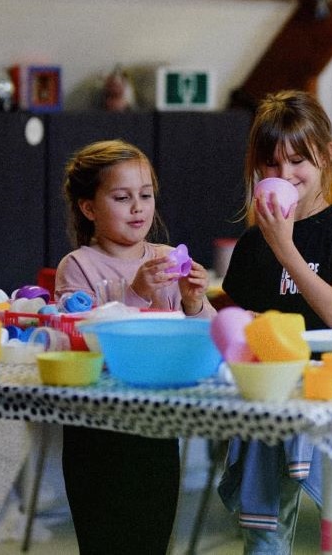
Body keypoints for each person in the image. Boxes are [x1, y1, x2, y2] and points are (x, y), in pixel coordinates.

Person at [219, 90, 332, 554]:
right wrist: (196, 302)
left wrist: (285, 246)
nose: (283, 176)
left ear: (326, 158)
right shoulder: (254, 242)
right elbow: (238, 322)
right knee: (265, 530)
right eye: (270, 164)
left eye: (298, 161)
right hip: (272, 391)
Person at [54, 139, 216, 555]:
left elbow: (212, 336)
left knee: (151, 539)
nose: (138, 208)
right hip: (97, 429)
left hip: (156, 425)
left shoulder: (166, 256)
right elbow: (84, 338)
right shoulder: (79, 266)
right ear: (89, 208)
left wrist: (195, 302)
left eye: (145, 196)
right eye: (122, 198)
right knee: (104, 541)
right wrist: (137, 293)